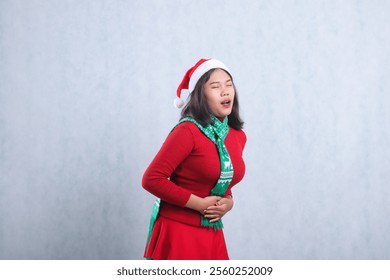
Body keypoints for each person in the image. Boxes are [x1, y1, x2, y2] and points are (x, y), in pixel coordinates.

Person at [142, 58, 246, 260]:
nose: (225, 91)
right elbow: (151, 179)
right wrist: (199, 204)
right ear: (201, 95)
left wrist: (229, 202)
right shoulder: (187, 131)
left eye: (229, 85)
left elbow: (219, 177)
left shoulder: (237, 136)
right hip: (179, 232)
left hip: (212, 232)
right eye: (215, 87)